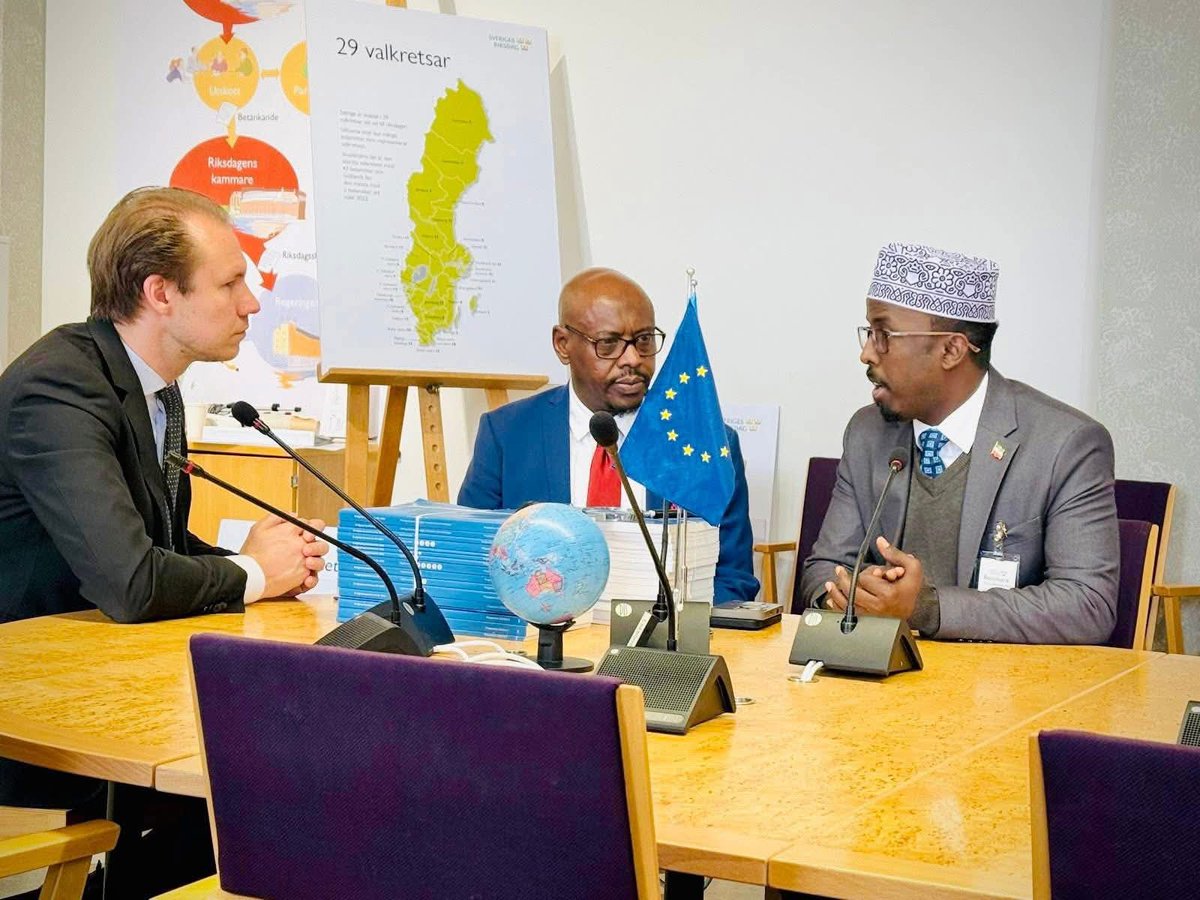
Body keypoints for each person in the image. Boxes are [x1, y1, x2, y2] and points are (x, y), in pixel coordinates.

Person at [0, 187, 329, 889]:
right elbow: (132, 580)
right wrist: (251, 573)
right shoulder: (57, 387)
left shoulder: (154, 388)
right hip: (35, 717)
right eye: (232, 281)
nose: (252, 303)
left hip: (102, 689)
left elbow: (161, 542)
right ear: (160, 293)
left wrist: (282, 564)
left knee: (269, 789)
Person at [800, 242, 1118, 644]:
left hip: (1002, 694)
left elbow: (1088, 605)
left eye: (884, 335)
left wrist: (926, 608)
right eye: (868, 332)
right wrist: (851, 595)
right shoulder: (867, 433)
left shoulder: (1065, 444)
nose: (866, 353)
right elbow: (824, 567)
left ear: (951, 349)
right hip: (875, 685)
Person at [458, 267, 759, 601]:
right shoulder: (507, 434)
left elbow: (733, 581)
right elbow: (472, 563)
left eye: (644, 341)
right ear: (563, 344)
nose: (632, 359)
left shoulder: (705, 444)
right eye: (609, 344)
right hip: (540, 643)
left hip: (661, 646)